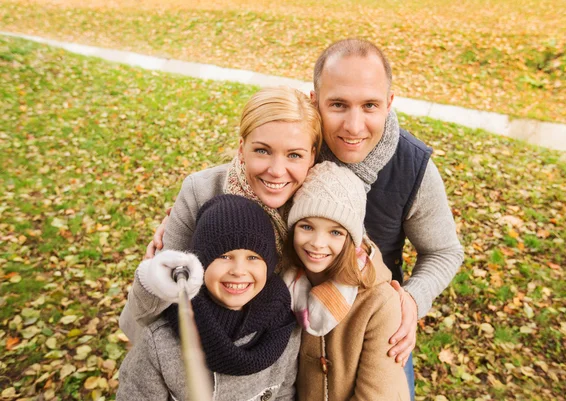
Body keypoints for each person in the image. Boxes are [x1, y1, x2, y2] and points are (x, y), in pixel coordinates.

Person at [145, 39, 464, 400]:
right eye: (338, 105)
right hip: (282, 319)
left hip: (367, 322)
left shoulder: (413, 168)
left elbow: (444, 252)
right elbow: (241, 179)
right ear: (315, 101)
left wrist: (411, 300)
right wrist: (187, 220)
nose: (354, 125)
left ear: (389, 103)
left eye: (370, 105)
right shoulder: (294, 154)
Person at [119, 85, 322, 344]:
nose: (276, 171)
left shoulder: (320, 199)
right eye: (262, 150)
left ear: (312, 156)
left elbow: (356, 250)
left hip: (281, 346)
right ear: (241, 147)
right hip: (201, 334)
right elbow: (159, 297)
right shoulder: (202, 190)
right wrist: (154, 274)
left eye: (294, 155)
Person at [117, 195, 300, 400]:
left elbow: (285, 392)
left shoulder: (283, 327)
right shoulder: (161, 342)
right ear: (200, 264)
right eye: (224, 256)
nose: (239, 271)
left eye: (253, 258)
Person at [283, 162, 410, 401]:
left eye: (335, 232)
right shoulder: (287, 285)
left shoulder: (379, 302)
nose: (318, 243)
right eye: (307, 226)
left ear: (353, 239)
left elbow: (375, 395)